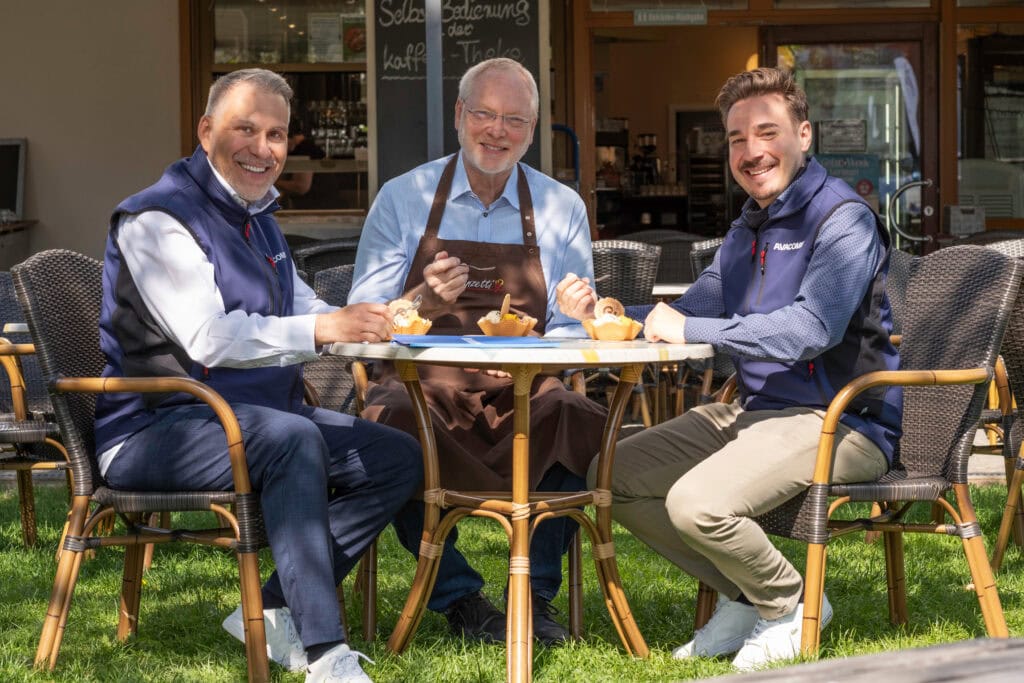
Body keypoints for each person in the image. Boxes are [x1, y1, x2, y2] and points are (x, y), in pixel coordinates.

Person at [557, 67, 903, 670]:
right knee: (614, 476)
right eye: (737, 139)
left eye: (766, 133)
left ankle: (793, 602)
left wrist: (688, 329)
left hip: (843, 422)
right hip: (758, 413)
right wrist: (607, 310)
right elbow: (693, 310)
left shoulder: (842, 219)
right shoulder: (748, 226)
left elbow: (809, 329)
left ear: (804, 135)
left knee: (698, 503)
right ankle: (747, 596)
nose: (751, 151)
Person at [95, 68, 422, 683]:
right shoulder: (156, 220)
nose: (262, 148)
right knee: (289, 437)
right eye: (245, 128)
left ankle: (273, 609)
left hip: (256, 422)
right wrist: (326, 332)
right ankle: (326, 655)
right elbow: (208, 337)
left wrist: (376, 321)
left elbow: (304, 308)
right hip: (153, 429)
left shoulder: (258, 218)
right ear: (206, 130)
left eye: (276, 134)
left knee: (395, 457)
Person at [348, 57, 606, 646]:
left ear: (532, 129)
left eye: (514, 119)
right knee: (388, 425)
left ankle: (533, 594)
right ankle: (460, 598)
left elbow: (573, 326)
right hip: (424, 382)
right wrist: (420, 295)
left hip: (526, 383)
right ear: (460, 116)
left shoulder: (561, 206)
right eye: (485, 114)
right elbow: (365, 316)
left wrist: (539, 349)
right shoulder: (404, 196)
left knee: (575, 417)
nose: (497, 131)